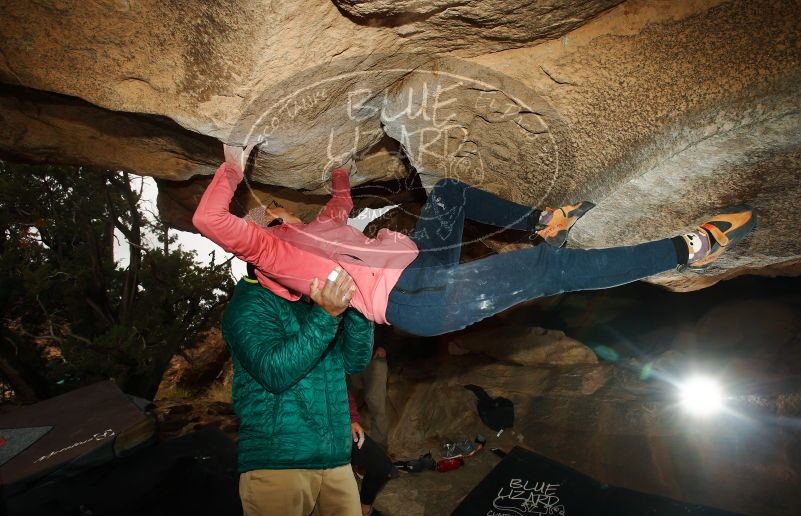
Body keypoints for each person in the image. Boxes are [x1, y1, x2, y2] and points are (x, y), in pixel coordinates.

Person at [194, 144, 756, 337]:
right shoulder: (270, 252)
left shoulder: (309, 229)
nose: (267, 208)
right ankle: (689, 248)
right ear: (257, 232)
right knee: (545, 271)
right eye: (260, 212)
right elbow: (209, 220)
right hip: (413, 301)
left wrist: (341, 174)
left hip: (421, 259)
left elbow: (339, 206)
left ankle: (543, 220)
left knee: (453, 193)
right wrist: (232, 170)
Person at [224, 262, 373, 516]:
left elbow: (355, 361)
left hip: (335, 459)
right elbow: (274, 371)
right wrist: (326, 316)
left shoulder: (313, 303)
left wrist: (361, 306)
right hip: (278, 463)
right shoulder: (250, 301)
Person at [348, 390, 396, 516]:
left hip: (338, 425)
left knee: (381, 466)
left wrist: (352, 418)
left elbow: (340, 386)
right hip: (303, 433)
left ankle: (365, 511)